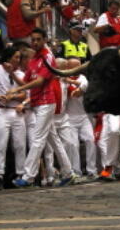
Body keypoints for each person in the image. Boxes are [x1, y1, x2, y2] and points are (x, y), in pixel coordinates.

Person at [10, 28, 73, 188]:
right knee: (54, 140)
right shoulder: (33, 59)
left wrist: (16, 90)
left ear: (45, 39)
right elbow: (26, 83)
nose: (35, 42)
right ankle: (68, 173)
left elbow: (39, 82)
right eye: (33, 39)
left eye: (38, 39)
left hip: (47, 102)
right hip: (38, 103)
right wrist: (12, 75)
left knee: (38, 139)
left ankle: (28, 176)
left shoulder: (47, 57)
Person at [0, 44, 27, 189]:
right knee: (1, 142)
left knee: (20, 144)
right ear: (8, 57)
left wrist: (13, 95)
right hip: (1, 110)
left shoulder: (20, 74)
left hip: (16, 110)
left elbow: (25, 92)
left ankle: (20, 173)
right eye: (16, 57)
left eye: (19, 57)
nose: (18, 60)